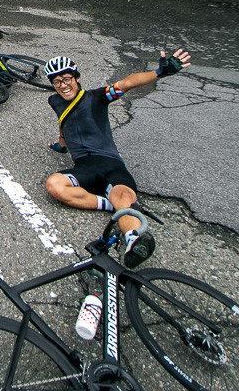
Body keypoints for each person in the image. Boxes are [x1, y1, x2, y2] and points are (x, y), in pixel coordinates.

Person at [41, 49, 192, 268]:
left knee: (122, 196)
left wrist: (160, 72)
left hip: (111, 164)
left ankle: (133, 239)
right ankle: (113, 206)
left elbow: (127, 83)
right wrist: (61, 144)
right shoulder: (54, 101)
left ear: (77, 78)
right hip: (85, 168)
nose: (63, 85)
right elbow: (64, 122)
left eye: (66, 79)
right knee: (55, 186)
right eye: (56, 82)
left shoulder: (97, 97)